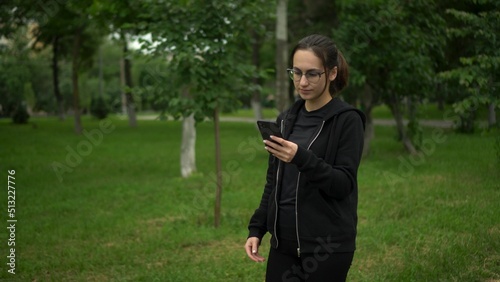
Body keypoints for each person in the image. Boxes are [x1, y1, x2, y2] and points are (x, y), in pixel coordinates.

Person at [244, 34, 366, 282]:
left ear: (332, 73)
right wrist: (257, 228)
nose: (302, 82)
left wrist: (301, 157)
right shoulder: (286, 119)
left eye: (312, 74)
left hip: (326, 247)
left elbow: (343, 184)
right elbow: (273, 182)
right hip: (283, 244)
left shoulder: (347, 120)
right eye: (296, 72)